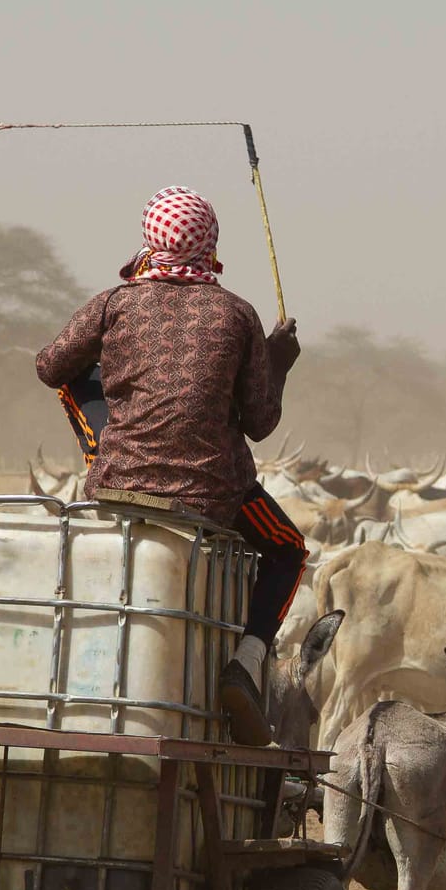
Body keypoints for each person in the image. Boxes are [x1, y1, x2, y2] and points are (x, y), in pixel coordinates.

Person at [34, 186, 305, 746]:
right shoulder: (237, 313)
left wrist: (108, 358)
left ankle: (101, 452)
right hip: (213, 492)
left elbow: (48, 366)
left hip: (121, 482)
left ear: (149, 238)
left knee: (73, 378)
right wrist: (276, 365)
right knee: (288, 550)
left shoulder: (114, 303)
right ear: (209, 244)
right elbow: (260, 422)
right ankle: (247, 665)